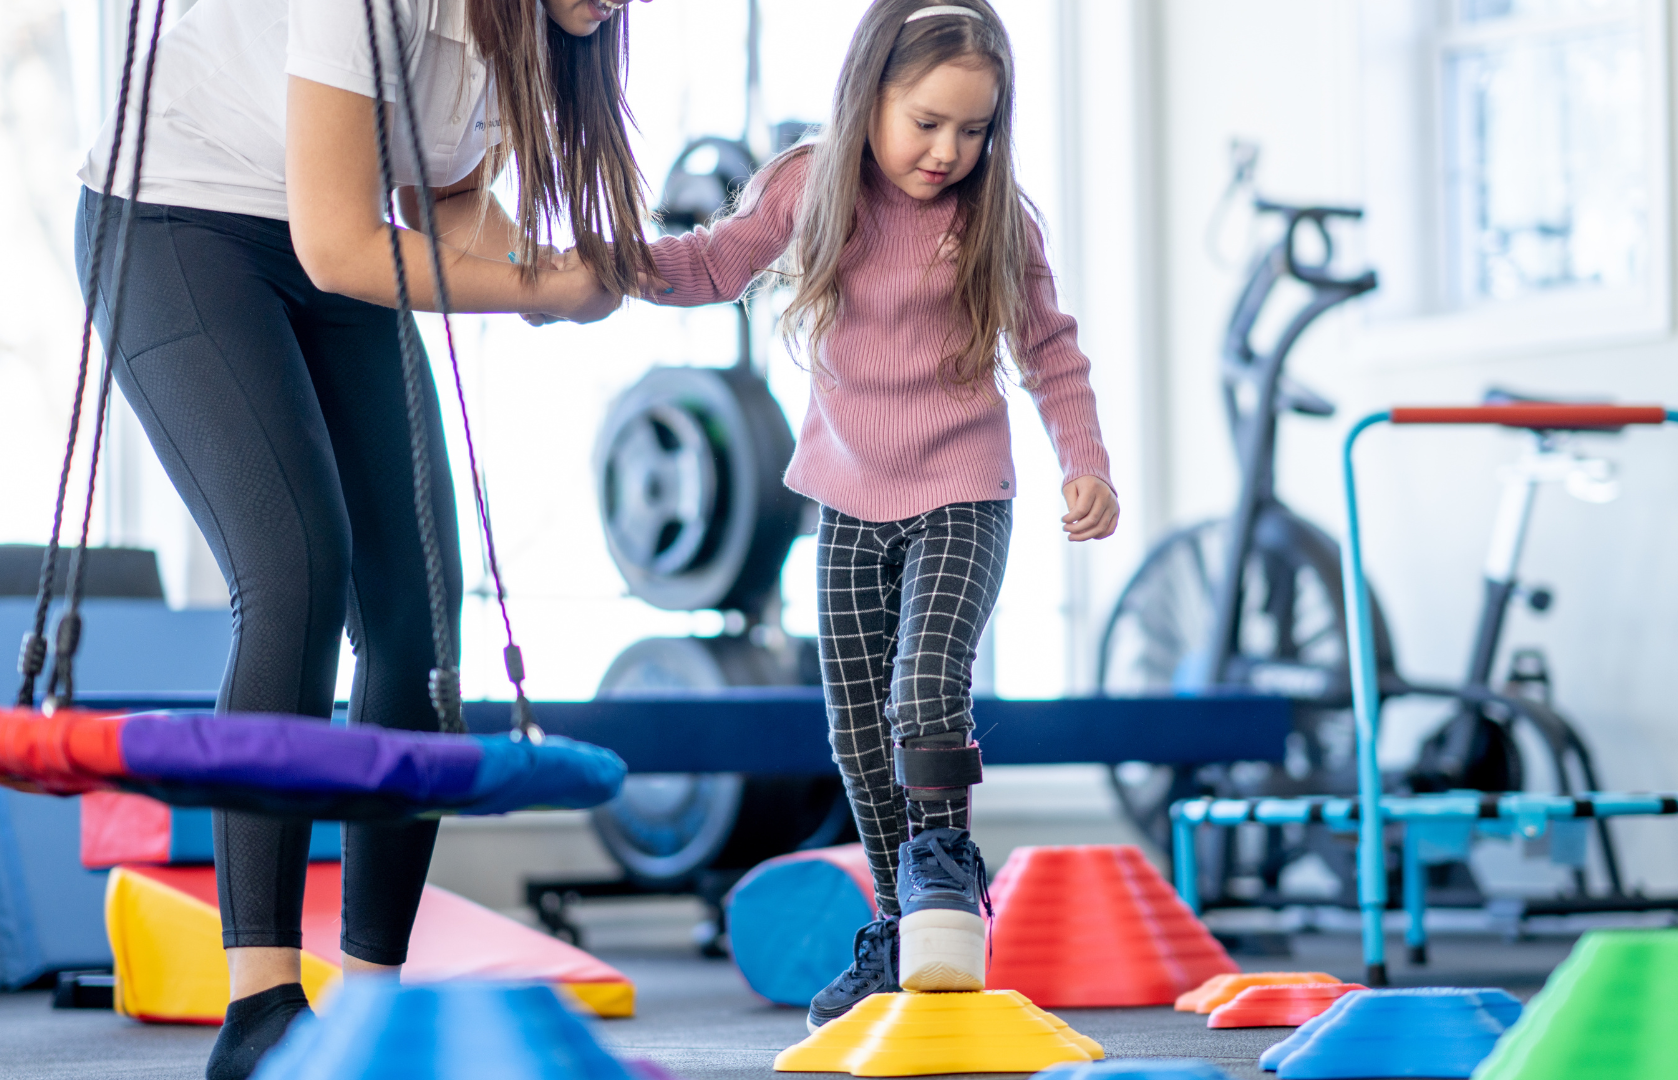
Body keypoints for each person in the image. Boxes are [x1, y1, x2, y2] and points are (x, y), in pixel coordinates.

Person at [73, 0, 653, 1076]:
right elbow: (340, 244)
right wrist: (548, 288)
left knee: (420, 616)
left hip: (332, 244)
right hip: (177, 220)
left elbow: (449, 200)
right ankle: (259, 1009)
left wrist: (568, 269)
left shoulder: (539, 32)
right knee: (294, 568)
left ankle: (376, 1009)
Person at [632, 0, 1119, 1030]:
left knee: (924, 685)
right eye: (927, 122)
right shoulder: (810, 187)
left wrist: (1087, 464)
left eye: (974, 129)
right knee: (855, 730)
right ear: (870, 97)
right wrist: (609, 264)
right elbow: (714, 263)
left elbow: (1051, 351)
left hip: (964, 493)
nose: (949, 151)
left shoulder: (995, 219)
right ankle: (907, 931)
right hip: (847, 498)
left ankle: (946, 884)